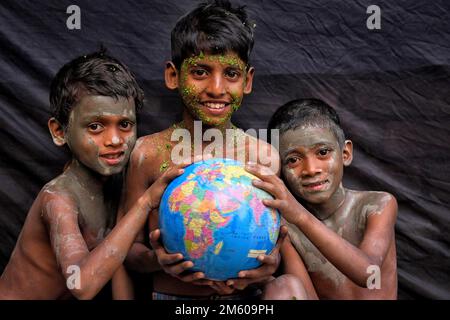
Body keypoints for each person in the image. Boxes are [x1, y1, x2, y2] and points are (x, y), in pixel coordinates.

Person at [119, 0, 284, 299]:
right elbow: (125, 248)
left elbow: (277, 245)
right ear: (173, 76)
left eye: (231, 74)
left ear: (247, 81)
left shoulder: (264, 157)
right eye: (200, 72)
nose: (217, 88)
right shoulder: (147, 153)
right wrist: (156, 261)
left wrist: (271, 266)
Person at [0, 50, 186, 299]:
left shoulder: (116, 185)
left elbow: (116, 259)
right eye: (95, 126)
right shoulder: (58, 198)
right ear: (59, 131)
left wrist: (160, 260)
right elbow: (82, 285)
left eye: (125, 125)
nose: (114, 140)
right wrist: (145, 203)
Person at [246, 98, 398, 299]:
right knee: (282, 286)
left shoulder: (377, 205)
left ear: (345, 153)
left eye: (323, 152)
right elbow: (305, 294)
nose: (311, 169)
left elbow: (369, 274)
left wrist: (299, 215)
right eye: (293, 160)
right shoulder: (288, 229)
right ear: (280, 169)